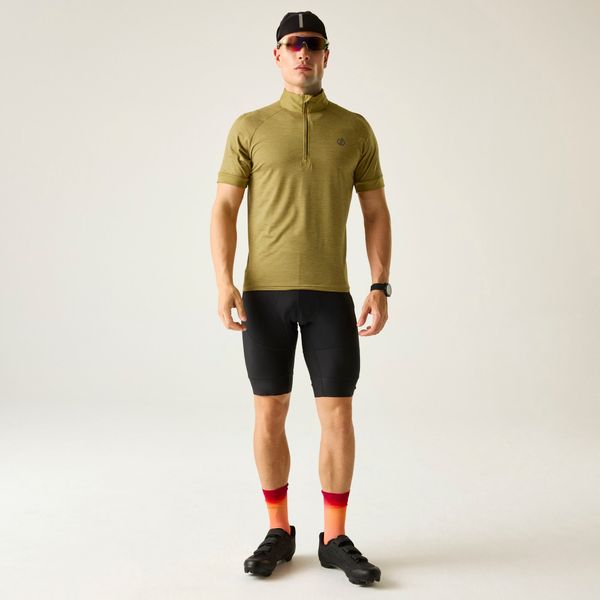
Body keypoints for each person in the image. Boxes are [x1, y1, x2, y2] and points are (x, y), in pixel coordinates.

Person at [210, 10, 391, 586]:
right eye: (293, 44)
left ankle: (334, 538)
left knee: (338, 414)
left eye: (313, 44)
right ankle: (278, 530)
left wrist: (379, 284)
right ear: (278, 55)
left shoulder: (354, 128)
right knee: (270, 411)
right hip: (264, 295)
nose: (303, 52)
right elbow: (224, 207)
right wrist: (223, 280)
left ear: (326, 56)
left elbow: (376, 210)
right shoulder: (251, 126)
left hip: (330, 295)